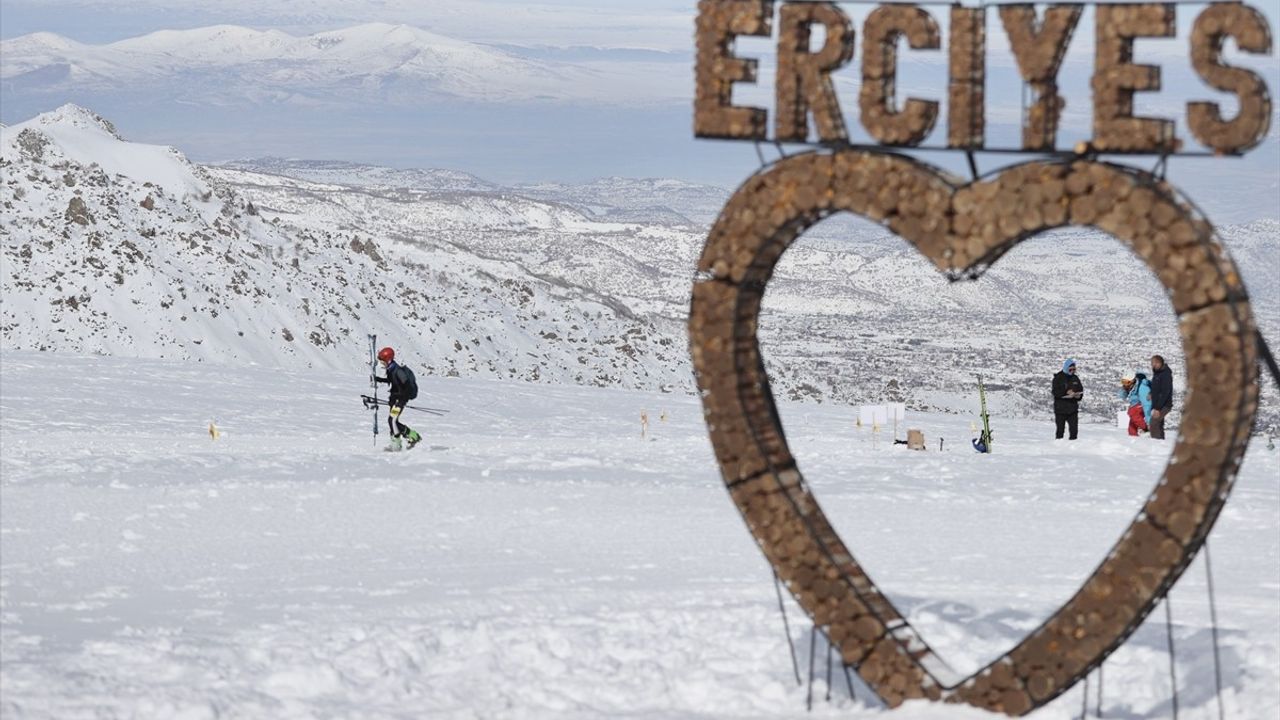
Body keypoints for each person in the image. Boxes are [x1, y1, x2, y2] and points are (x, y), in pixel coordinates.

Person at [374, 346, 422, 451]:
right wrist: (378, 379)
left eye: (383, 361)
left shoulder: (397, 370)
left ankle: (398, 443)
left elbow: (407, 386)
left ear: (388, 359)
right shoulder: (391, 369)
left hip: (399, 401)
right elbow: (391, 381)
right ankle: (411, 436)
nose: (382, 363)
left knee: (393, 421)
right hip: (395, 399)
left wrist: (401, 398)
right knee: (392, 421)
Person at [1052, 358, 1084, 440]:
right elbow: (1055, 392)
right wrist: (1066, 392)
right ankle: (1059, 447)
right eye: (1071, 369)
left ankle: (1072, 448)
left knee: (1074, 431)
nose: (1072, 371)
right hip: (1060, 409)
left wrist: (1078, 396)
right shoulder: (1058, 377)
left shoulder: (1075, 378)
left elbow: (1080, 390)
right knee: (1060, 431)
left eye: (1074, 369)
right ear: (1066, 368)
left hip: (1072, 409)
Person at [1117, 371, 1152, 436]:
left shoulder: (1142, 388)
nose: (1125, 384)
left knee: (1132, 412)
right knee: (1131, 429)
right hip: (1137, 405)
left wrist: (1149, 422)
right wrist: (1123, 389)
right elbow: (1122, 396)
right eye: (1123, 382)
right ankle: (1134, 441)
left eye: (1127, 382)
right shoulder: (1130, 387)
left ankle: (1147, 429)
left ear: (1132, 381)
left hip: (1148, 404)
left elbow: (1147, 405)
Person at [1149, 354, 1174, 440]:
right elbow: (1156, 387)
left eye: (1154, 363)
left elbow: (1165, 392)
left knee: (1153, 423)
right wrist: (1151, 393)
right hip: (1158, 404)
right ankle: (1161, 444)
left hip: (1163, 405)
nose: (1152, 365)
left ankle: (1156, 443)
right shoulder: (1157, 373)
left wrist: (1158, 408)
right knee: (1159, 424)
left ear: (1159, 363)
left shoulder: (1165, 374)